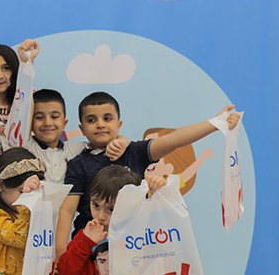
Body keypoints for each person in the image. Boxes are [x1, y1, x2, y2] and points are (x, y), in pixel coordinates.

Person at [56, 93, 241, 255]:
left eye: (107, 118)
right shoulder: (77, 164)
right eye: (91, 120)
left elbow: (175, 139)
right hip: (92, 254)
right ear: (82, 129)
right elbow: (67, 210)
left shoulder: (135, 151)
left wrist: (215, 123)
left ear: (119, 124)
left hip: (135, 248)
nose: (100, 125)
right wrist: (60, 257)